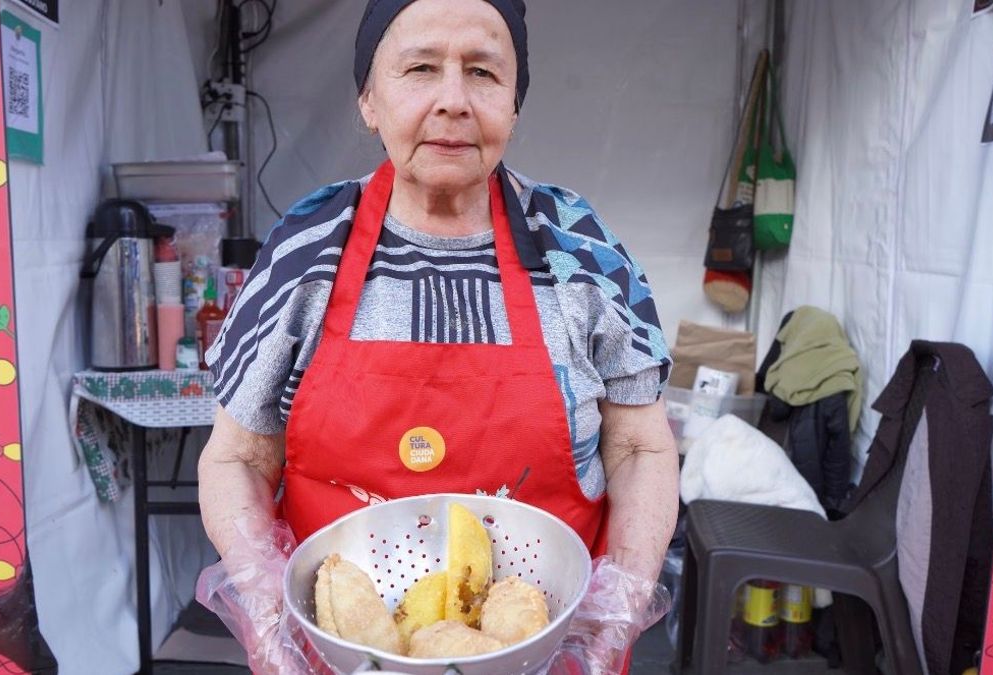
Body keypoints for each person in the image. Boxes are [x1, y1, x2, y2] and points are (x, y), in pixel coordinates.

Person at [196, 0, 680, 672]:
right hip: (341, 656)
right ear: (369, 99)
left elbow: (639, 446)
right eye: (421, 68)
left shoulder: (580, 249)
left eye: (483, 72)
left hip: (551, 653)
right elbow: (237, 458)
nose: (453, 100)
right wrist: (264, 603)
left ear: (514, 103)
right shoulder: (305, 252)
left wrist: (616, 608)